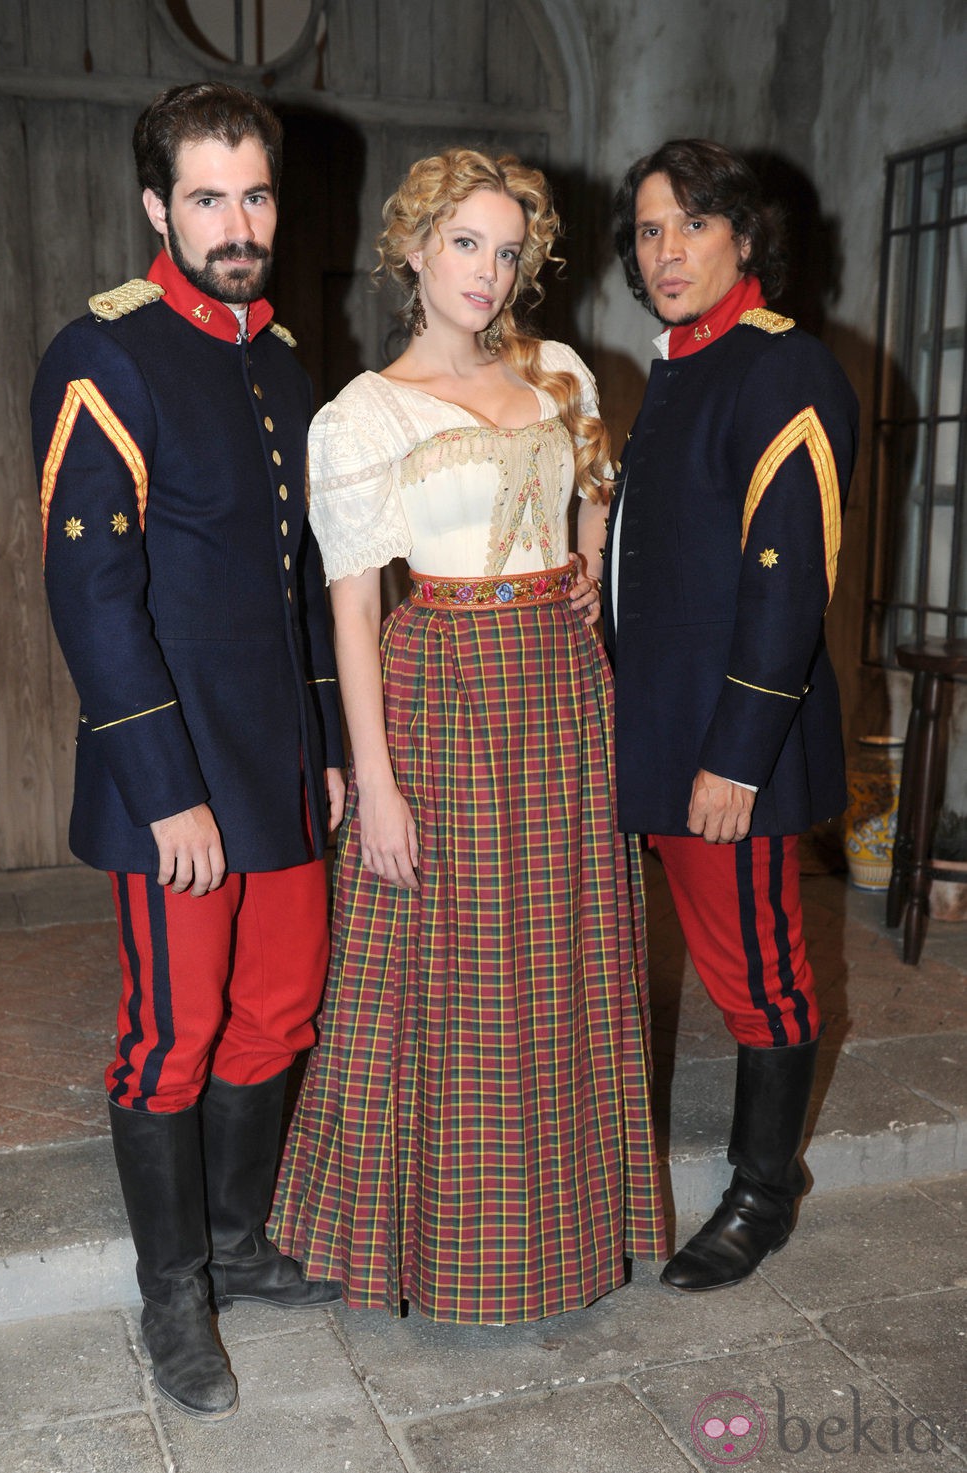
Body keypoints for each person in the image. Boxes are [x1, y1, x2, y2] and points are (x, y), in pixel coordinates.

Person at [269, 148, 666, 1323]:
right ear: (411, 250)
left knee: (568, 959)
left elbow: (594, 496)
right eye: (463, 245)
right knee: (443, 972)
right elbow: (350, 611)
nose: (486, 273)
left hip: (563, 690)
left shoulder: (558, 375)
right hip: (440, 686)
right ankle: (430, 1246)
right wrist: (375, 787)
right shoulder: (362, 416)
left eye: (505, 251)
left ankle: (567, 1236)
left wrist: (585, 574)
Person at [30, 83, 346, 1420]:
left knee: (277, 1014)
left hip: (278, 769)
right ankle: (174, 1300)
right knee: (172, 1036)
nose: (238, 222)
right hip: (179, 783)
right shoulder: (106, 354)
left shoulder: (280, 362)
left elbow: (302, 575)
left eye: (257, 194)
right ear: (159, 205)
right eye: (208, 196)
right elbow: (90, 595)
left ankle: (234, 1244)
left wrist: (324, 744)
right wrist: (167, 793)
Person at [605, 139, 859, 1292]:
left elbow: (785, 584)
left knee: (759, 972)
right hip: (660, 734)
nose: (667, 252)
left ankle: (762, 1194)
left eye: (692, 227)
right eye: (651, 231)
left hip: (725, 751)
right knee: (723, 963)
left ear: (745, 239)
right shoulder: (678, 367)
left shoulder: (778, 368)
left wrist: (737, 757)